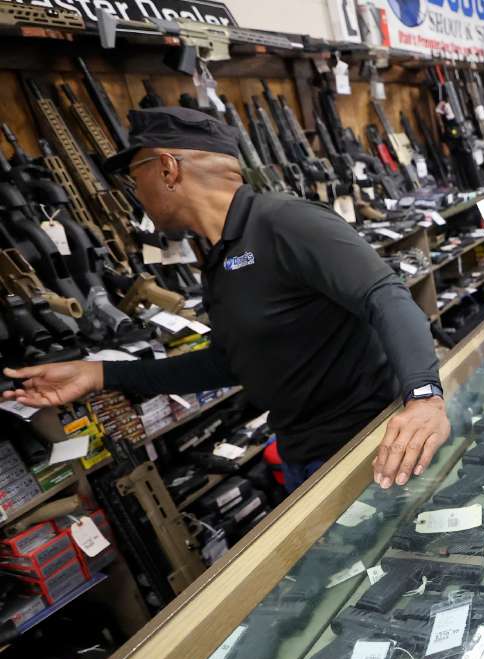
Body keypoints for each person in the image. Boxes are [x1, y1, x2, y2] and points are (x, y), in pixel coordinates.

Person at [3, 107, 448, 493]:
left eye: (134, 175)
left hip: (372, 452)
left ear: (167, 169)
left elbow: (385, 295)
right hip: (308, 459)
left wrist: (424, 398)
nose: (134, 192)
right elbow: (228, 364)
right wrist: (100, 373)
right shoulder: (220, 258)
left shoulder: (284, 222)